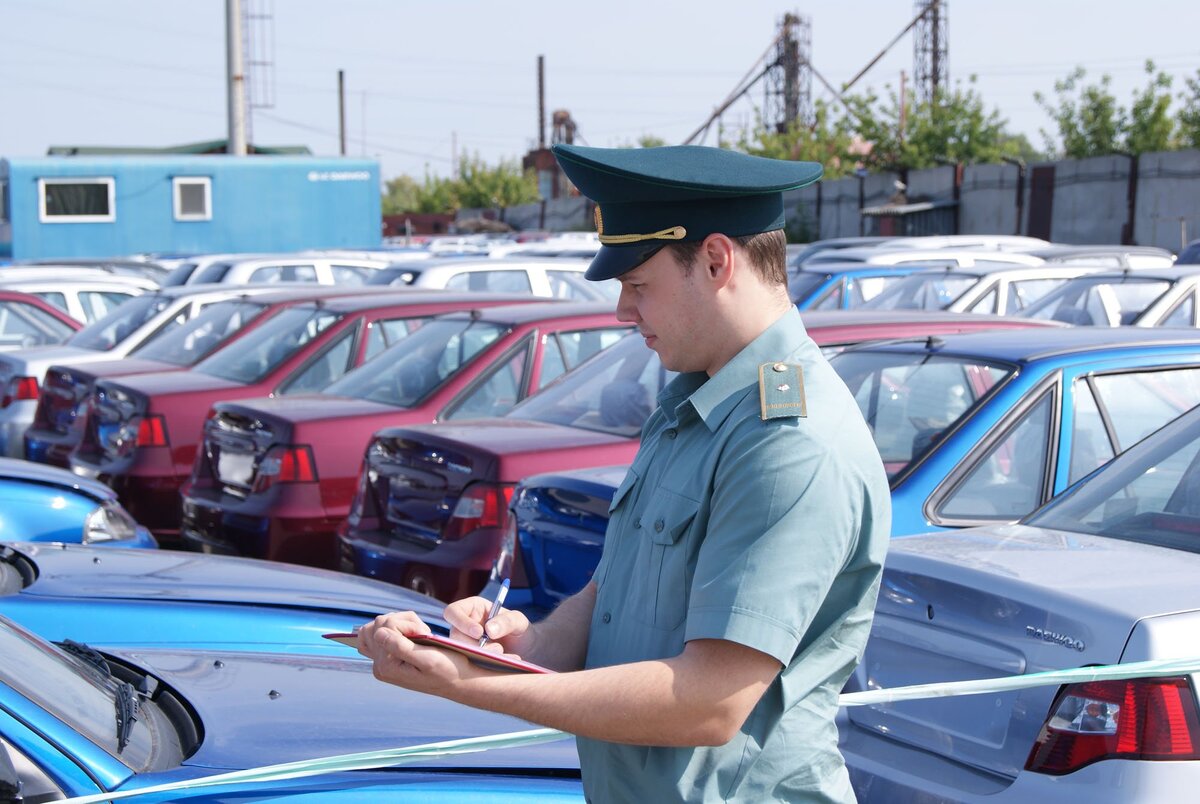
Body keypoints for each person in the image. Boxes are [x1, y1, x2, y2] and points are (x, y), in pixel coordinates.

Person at [355, 143, 891, 803]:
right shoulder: (693, 403)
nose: (622, 311)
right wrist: (511, 646)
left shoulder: (789, 441)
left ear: (718, 261)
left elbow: (710, 703)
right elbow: (610, 599)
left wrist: (470, 684)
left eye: (638, 285)